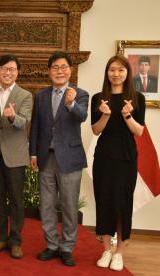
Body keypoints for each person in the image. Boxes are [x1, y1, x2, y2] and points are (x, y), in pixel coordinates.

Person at [29, 51, 89, 266]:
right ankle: (52, 244)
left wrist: (71, 104)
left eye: (64, 67)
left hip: (70, 158)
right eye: (55, 67)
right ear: (49, 71)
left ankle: (67, 247)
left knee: (69, 205)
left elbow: (82, 116)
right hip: (46, 157)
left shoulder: (80, 93)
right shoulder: (42, 95)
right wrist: (33, 152)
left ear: (70, 70)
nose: (60, 71)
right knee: (46, 204)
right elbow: (35, 124)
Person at [91, 55, 145, 271]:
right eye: (112, 70)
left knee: (123, 203)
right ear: (107, 72)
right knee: (104, 201)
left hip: (126, 157)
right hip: (104, 156)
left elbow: (139, 131)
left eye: (120, 70)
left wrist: (127, 116)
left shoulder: (136, 98)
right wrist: (105, 115)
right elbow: (96, 130)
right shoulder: (99, 98)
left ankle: (120, 253)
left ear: (127, 73)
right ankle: (106, 250)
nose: (116, 74)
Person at [0, 55, 32, 259]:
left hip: (15, 156)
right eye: (4, 68)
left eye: (12, 69)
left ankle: (15, 241)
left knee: (15, 201)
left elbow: (24, 122)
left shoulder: (25, 95)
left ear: (17, 72)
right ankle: (0, 238)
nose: (8, 72)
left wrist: (13, 117)